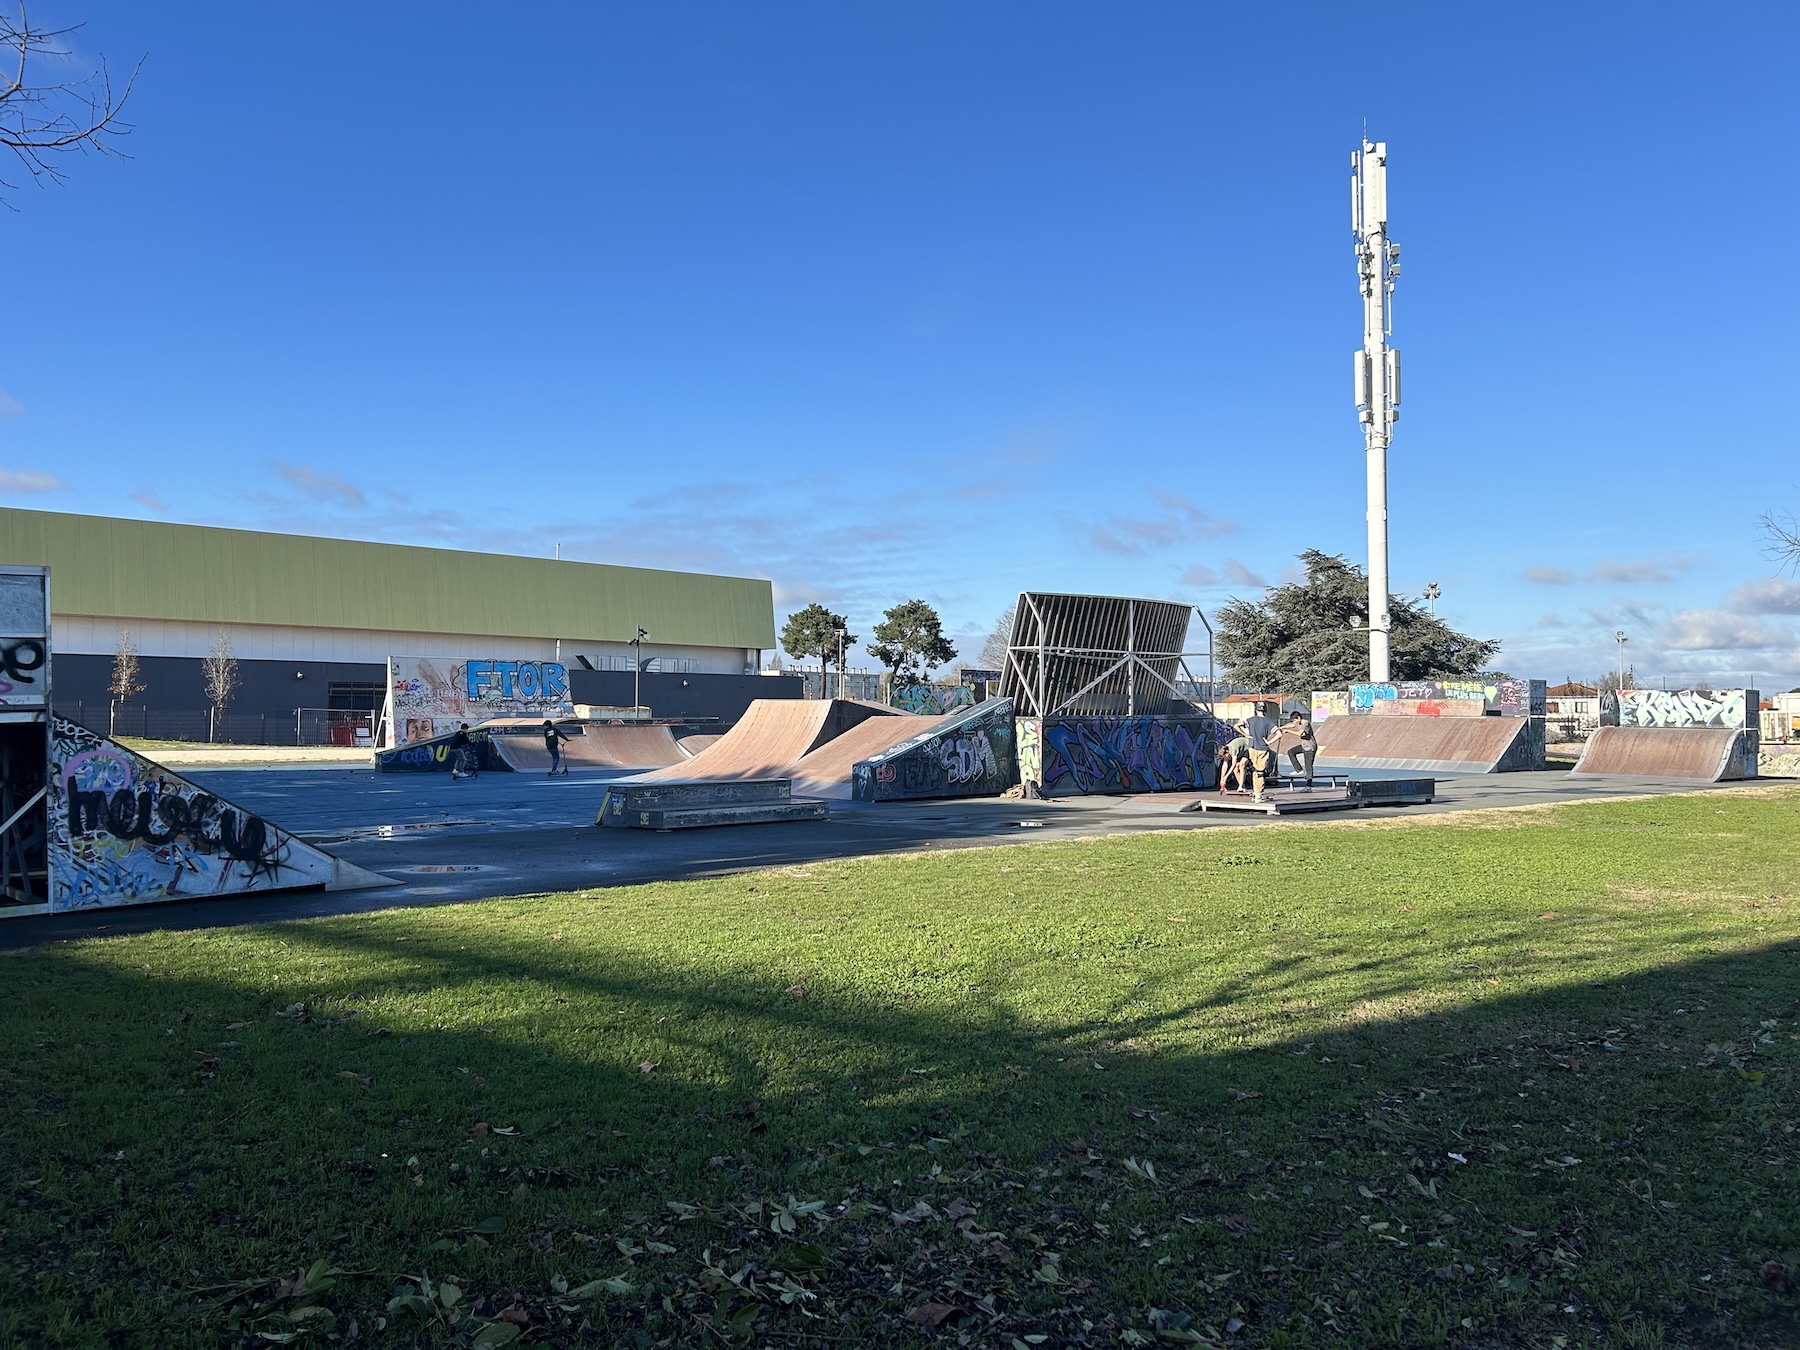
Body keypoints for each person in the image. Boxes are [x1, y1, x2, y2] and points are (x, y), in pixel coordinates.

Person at [1241, 710, 1279, 803]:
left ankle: (1255, 792)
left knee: (1255, 770)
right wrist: (1269, 742)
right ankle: (1259, 794)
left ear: (1256, 710)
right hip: (1262, 747)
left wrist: (1245, 735)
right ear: (1265, 710)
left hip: (1252, 747)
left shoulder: (1250, 720)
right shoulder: (1268, 721)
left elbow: (1236, 726)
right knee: (1260, 771)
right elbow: (1279, 734)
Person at [1282, 710, 1317, 787]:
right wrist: (1280, 728)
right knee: (1291, 752)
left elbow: (1299, 733)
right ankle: (1298, 770)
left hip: (1310, 747)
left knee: (1308, 766)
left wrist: (1288, 731)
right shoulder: (1298, 722)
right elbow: (1291, 725)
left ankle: (1308, 786)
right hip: (1304, 746)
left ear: (1298, 718)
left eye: (1295, 720)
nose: (1295, 722)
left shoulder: (1305, 723)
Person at [1217, 729, 1251, 795]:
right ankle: (1243, 787)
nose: (1227, 758)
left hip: (1248, 748)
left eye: (1225, 757)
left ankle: (1240, 786)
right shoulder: (1226, 752)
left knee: (1241, 765)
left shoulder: (1233, 749)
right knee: (1235, 769)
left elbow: (1233, 764)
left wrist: (1226, 777)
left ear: (1227, 753)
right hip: (1240, 752)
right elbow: (1225, 766)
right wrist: (1222, 779)